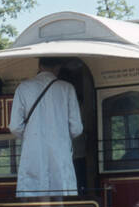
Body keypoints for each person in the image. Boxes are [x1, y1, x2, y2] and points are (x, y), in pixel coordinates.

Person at [8, 57, 83, 197]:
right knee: (62, 202)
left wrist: (32, 135)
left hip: (32, 156)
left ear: (39, 65)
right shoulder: (67, 89)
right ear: (58, 67)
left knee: (33, 200)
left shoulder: (23, 88)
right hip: (60, 155)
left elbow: (15, 127)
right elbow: (76, 129)